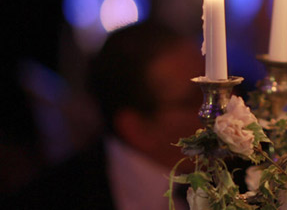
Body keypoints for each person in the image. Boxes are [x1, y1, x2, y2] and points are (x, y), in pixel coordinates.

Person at [7, 21, 203, 210]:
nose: (221, 110)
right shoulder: (51, 200)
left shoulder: (228, 171)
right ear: (136, 129)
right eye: (195, 100)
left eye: (217, 88)